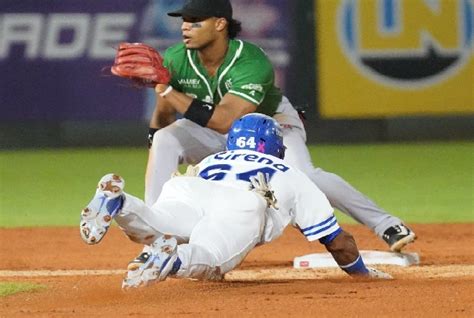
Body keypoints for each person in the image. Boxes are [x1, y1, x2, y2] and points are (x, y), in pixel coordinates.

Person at [113, 0, 415, 252]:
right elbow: (165, 114)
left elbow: (225, 120)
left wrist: (166, 90)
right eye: (184, 20)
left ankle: (386, 224)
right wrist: (156, 140)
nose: (184, 27)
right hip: (211, 133)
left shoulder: (251, 61)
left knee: (307, 177)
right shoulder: (177, 58)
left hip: (270, 128)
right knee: (166, 139)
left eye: (194, 21)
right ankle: (157, 228)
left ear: (219, 24)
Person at [80, 114, 391, 288]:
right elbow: (337, 241)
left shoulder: (214, 159)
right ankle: (171, 259)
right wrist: (362, 273)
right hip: (241, 204)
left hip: (189, 187)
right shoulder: (290, 172)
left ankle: (121, 204)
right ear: (276, 147)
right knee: (210, 258)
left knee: (155, 222)